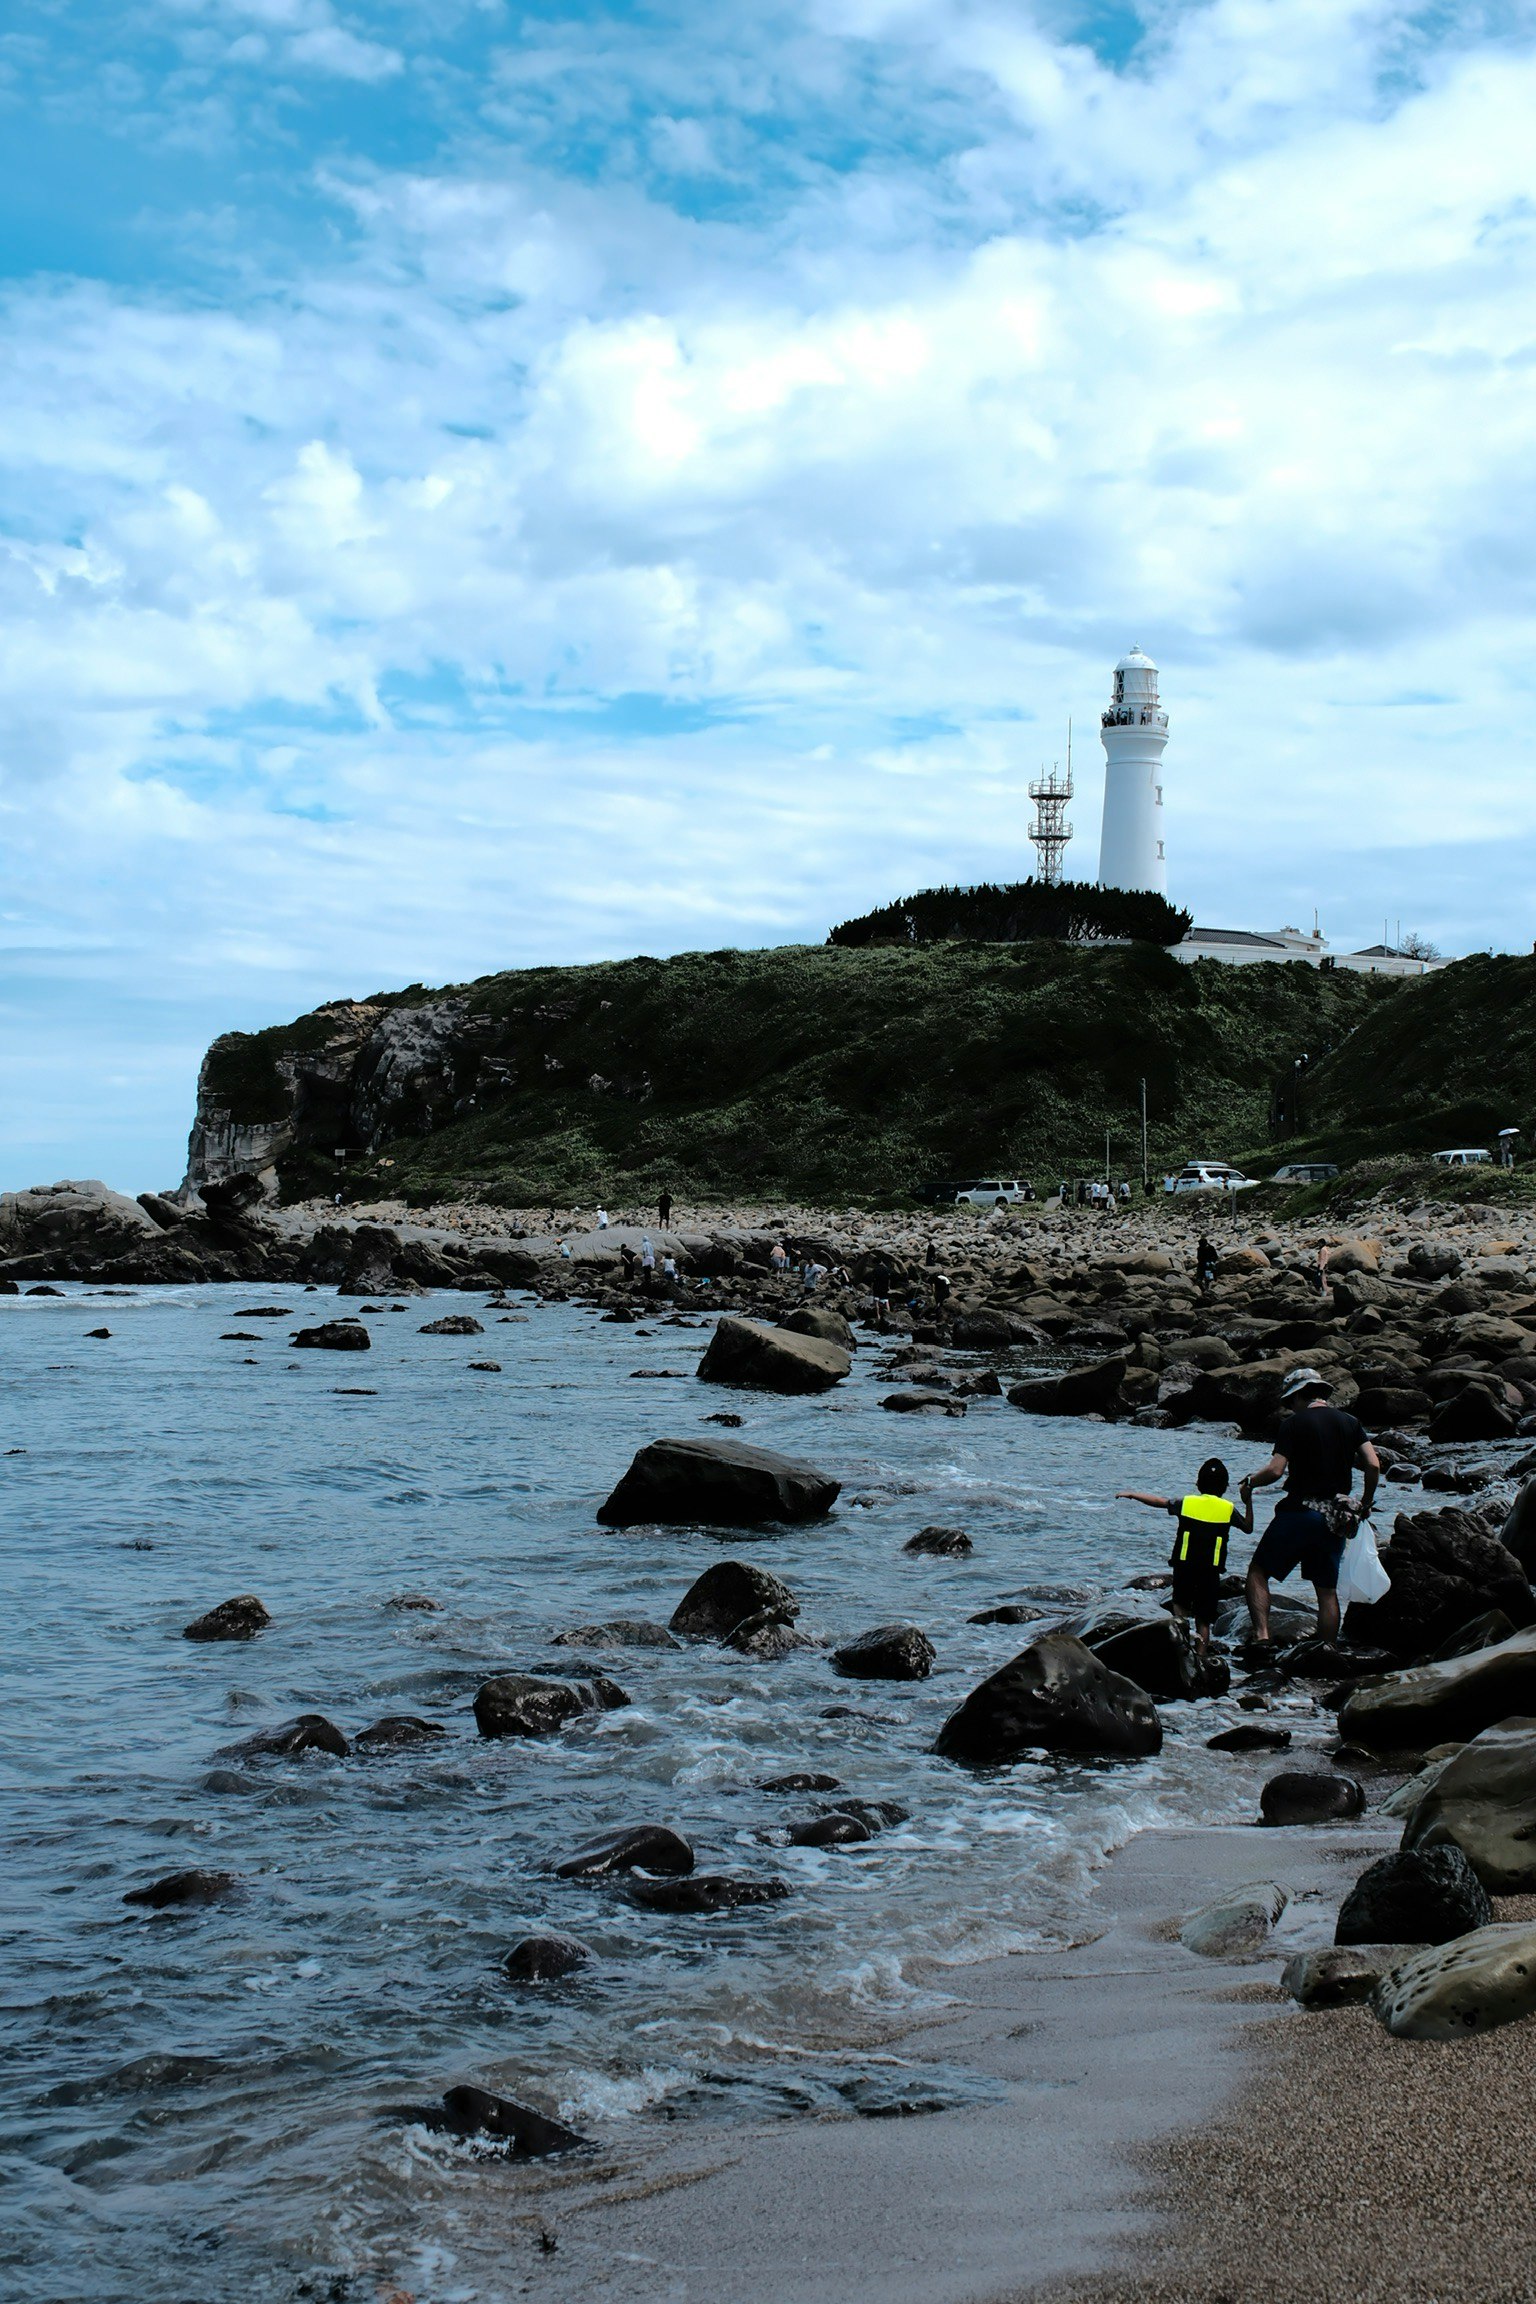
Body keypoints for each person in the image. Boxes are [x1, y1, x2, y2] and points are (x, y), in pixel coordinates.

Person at [1240, 1367, 1380, 1652]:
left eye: (1290, 1402)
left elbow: (1276, 1470)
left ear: (1299, 1397)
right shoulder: (1351, 1422)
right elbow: (1373, 1464)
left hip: (1298, 1512)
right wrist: (1365, 1503)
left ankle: (1262, 1638)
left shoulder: (1294, 1424)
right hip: (1335, 1518)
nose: (1291, 1407)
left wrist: (1250, 1483)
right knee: (1326, 1592)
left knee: (1258, 1571)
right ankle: (1326, 1651)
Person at [1118, 1457, 1253, 1656]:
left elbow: (1159, 1502)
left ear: (1198, 1484)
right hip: (1210, 1570)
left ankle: (1181, 1650)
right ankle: (1201, 1655)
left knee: (1180, 1608)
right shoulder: (1228, 1509)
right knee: (1204, 1620)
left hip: (1184, 1567)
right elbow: (1249, 1528)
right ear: (1225, 1487)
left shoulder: (1186, 1503)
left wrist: (1132, 1494)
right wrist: (1248, 1500)